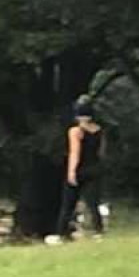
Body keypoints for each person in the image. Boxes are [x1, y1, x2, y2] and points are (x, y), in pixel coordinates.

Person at [47, 98, 106, 244]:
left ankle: (61, 233)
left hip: (80, 169)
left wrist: (71, 172)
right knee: (93, 203)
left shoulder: (75, 131)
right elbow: (101, 152)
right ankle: (98, 232)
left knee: (68, 203)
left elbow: (75, 152)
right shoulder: (99, 130)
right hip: (94, 168)